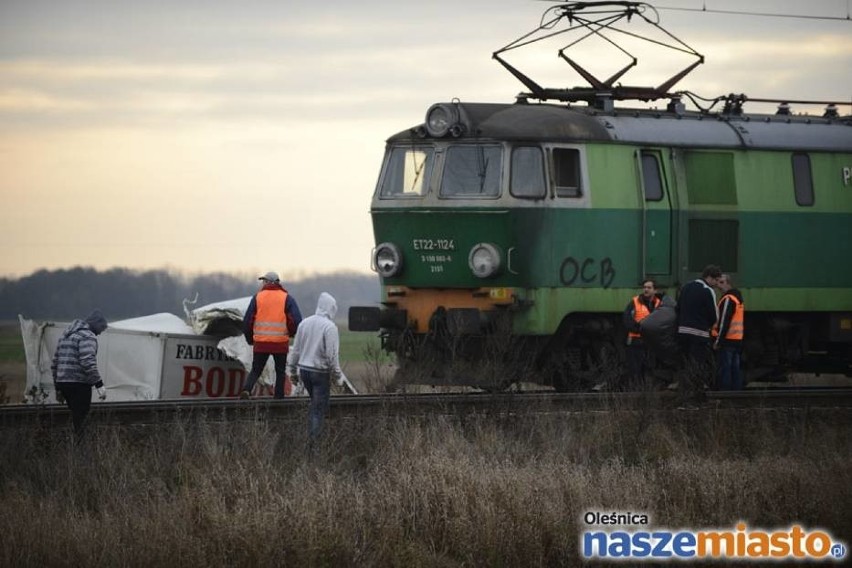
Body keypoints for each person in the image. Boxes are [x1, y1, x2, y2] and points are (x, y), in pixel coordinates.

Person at [286, 292, 347, 446]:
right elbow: (331, 355)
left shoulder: (304, 323)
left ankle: (314, 438)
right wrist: (338, 376)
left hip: (304, 371)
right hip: (320, 373)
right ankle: (314, 446)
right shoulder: (330, 327)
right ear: (331, 308)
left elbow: (296, 351)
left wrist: (292, 371)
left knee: (315, 405)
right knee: (318, 410)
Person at [239, 272, 302, 399]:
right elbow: (297, 320)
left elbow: (247, 322)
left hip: (261, 343)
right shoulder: (287, 298)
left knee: (256, 369)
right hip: (280, 342)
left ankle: (247, 389)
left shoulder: (257, 297)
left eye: (264, 281)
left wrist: (250, 339)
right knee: (280, 372)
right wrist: (292, 333)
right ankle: (278, 399)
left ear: (269, 282)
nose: (262, 284)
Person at [51, 309, 109, 440]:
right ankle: (81, 450)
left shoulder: (65, 335)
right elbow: (87, 361)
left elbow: (55, 363)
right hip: (79, 384)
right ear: (94, 323)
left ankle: (74, 446)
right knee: (81, 421)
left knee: (75, 418)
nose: (101, 332)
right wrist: (99, 384)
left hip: (63, 383)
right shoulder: (87, 336)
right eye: (101, 327)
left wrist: (58, 388)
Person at [676, 264, 722, 405]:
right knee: (698, 366)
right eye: (716, 280)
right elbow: (713, 315)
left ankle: (683, 397)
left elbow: (677, 308)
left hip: (682, 332)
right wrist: (707, 325)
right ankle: (696, 398)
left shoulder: (686, 287)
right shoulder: (708, 290)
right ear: (709, 277)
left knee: (685, 365)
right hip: (699, 333)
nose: (716, 284)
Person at [622, 279, 661, 387]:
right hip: (636, 342)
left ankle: (646, 394)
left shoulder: (659, 305)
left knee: (649, 369)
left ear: (655, 290)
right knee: (635, 370)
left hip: (650, 343)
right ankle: (635, 394)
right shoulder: (634, 302)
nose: (646, 289)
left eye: (649, 287)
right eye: (644, 287)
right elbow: (627, 320)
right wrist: (640, 329)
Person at [712, 274, 745, 390]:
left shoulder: (728, 299)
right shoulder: (738, 298)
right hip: (737, 339)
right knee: (735, 367)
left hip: (728, 340)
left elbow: (724, 322)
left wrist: (718, 341)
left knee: (725, 367)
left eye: (721, 282)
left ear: (728, 283)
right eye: (717, 282)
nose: (718, 285)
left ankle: (725, 391)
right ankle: (736, 391)